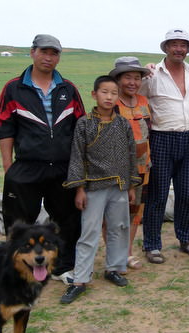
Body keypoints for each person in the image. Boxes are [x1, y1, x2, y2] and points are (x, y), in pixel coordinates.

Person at [0, 34, 85, 284]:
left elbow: (80, 130)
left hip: (63, 168)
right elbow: (4, 126)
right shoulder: (14, 88)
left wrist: (78, 170)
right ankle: (17, 270)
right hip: (27, 167)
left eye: (54, 53)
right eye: (44, 51)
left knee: (67, 220)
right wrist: (8, 166)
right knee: (19, 223)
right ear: (32, 52)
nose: (48, 57)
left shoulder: (68, 88)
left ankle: (63, 267)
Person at [60, 75, 140, 304]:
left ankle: (113, 268)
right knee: (89, 233)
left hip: (119, 185)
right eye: (104, 92)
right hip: (93, 187)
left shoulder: (123, 123)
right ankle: (81, 279)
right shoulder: (84, 124)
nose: (109, 97)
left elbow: (131, 154)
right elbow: (77, 156)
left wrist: (131, 184)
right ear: (95, 94)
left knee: (119, 227)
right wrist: (79, 189)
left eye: (114, 93)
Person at [139, 28, 189, 263]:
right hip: (161, 138)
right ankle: (152, 244)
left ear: (187, 49)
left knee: (187, 193)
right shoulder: (153, 75)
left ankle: (186, 238)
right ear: (166, 47)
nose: (179, 49)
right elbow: (140, 99)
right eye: (174, 44)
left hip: (188, 138)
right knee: (158, 195)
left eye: (183, 45)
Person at [109, 56, 152, 270]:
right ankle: (113, 254)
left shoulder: (143, 102)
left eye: (137, 78)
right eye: (128, 78)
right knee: (115, 212)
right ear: (118, 79)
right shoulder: (111, 104)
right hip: (119, 169)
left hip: (143, 167)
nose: (133, 82)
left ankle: (126, 253)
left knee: (136, 211)